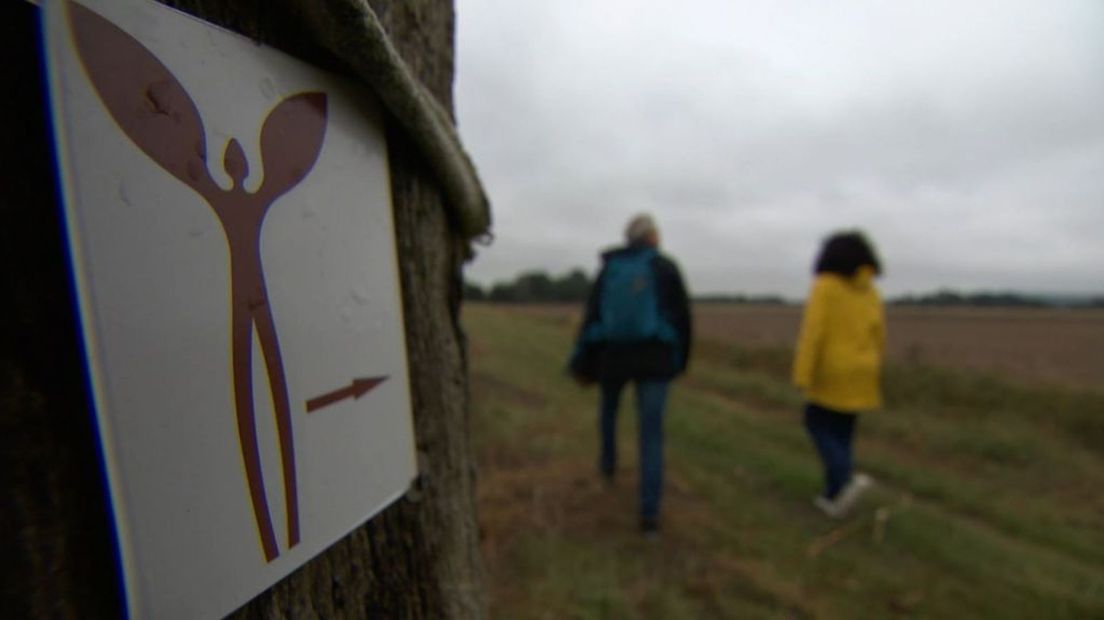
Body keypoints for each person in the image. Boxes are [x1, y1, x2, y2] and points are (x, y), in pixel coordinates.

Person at [569, 214, 692, 534]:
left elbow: (592, 316)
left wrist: (584, 359)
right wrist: (680, 361)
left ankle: (608, 468)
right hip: (656, 359)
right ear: (652, 236)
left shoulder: (610, 268)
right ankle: (649, 515)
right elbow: (683, 318)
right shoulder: (665, 267)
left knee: (608, 413)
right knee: (651, 434)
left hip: (614, 357)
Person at [792, 230, 885, 518]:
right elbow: (877, 334)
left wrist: (802, 373)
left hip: (832, 370)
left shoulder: (825, 286)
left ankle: (845, 480)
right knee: (843, 432)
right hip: (862, 371)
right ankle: (833, 496)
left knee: (816, 423)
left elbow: (813, 332)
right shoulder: (871, 290)